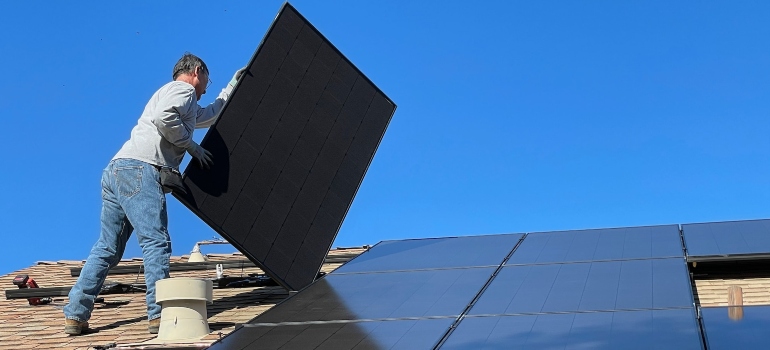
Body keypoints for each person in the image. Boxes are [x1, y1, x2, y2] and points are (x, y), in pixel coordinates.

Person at [63, 53, 245, 335]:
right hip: (140, 169)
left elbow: (208, 115)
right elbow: (164, 118)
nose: (207, 86)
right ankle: (159, 315)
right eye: (208, 79)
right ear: (197, 71)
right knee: (155, 241)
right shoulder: (183, 90)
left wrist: (232, 86)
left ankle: (75, 314)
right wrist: (192, 148)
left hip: (116, 170)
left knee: (107, 249)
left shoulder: (175, 96)